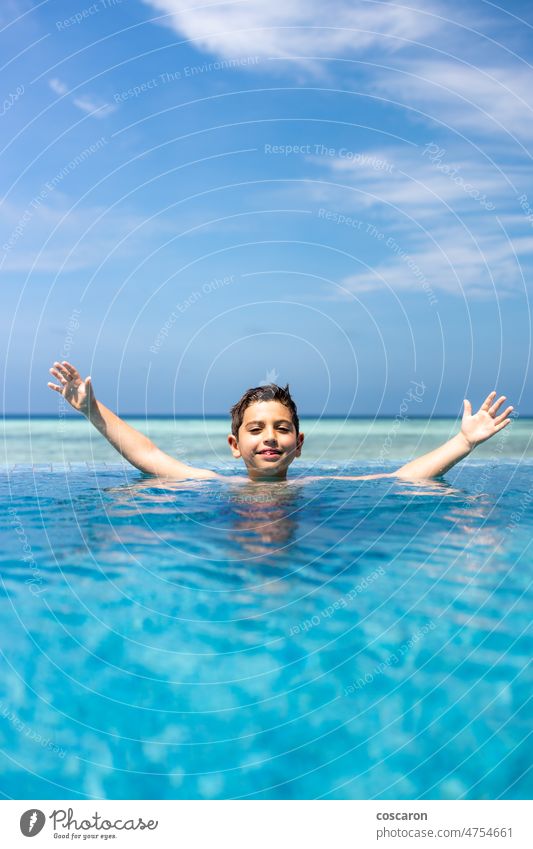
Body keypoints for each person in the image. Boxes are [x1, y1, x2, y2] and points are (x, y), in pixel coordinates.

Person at [47, 360, 514, 483]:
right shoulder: (214, 484)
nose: (270, 437)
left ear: (299, 443)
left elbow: (401, 477)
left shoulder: (311, 488)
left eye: (282, 428)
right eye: (256, 429)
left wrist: (463, 442)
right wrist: (92, 410)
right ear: (234, 445)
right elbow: (148, 456)